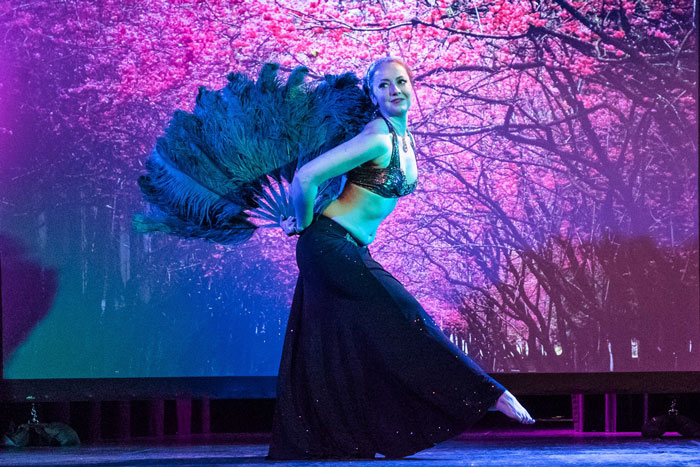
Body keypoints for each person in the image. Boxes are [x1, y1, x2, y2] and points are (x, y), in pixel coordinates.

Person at [267, 57, 534, 461]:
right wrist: (300, 223)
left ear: (412, 86)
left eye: (401, 82)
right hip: (329, 246)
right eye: (384, 85)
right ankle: (490, 394)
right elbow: (307, 177)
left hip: (348, 248)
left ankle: (341, 438)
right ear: (372, 95)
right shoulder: (378, 137)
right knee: (406, 316)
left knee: (341, 348)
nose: (395, 90)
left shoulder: (402, 136)